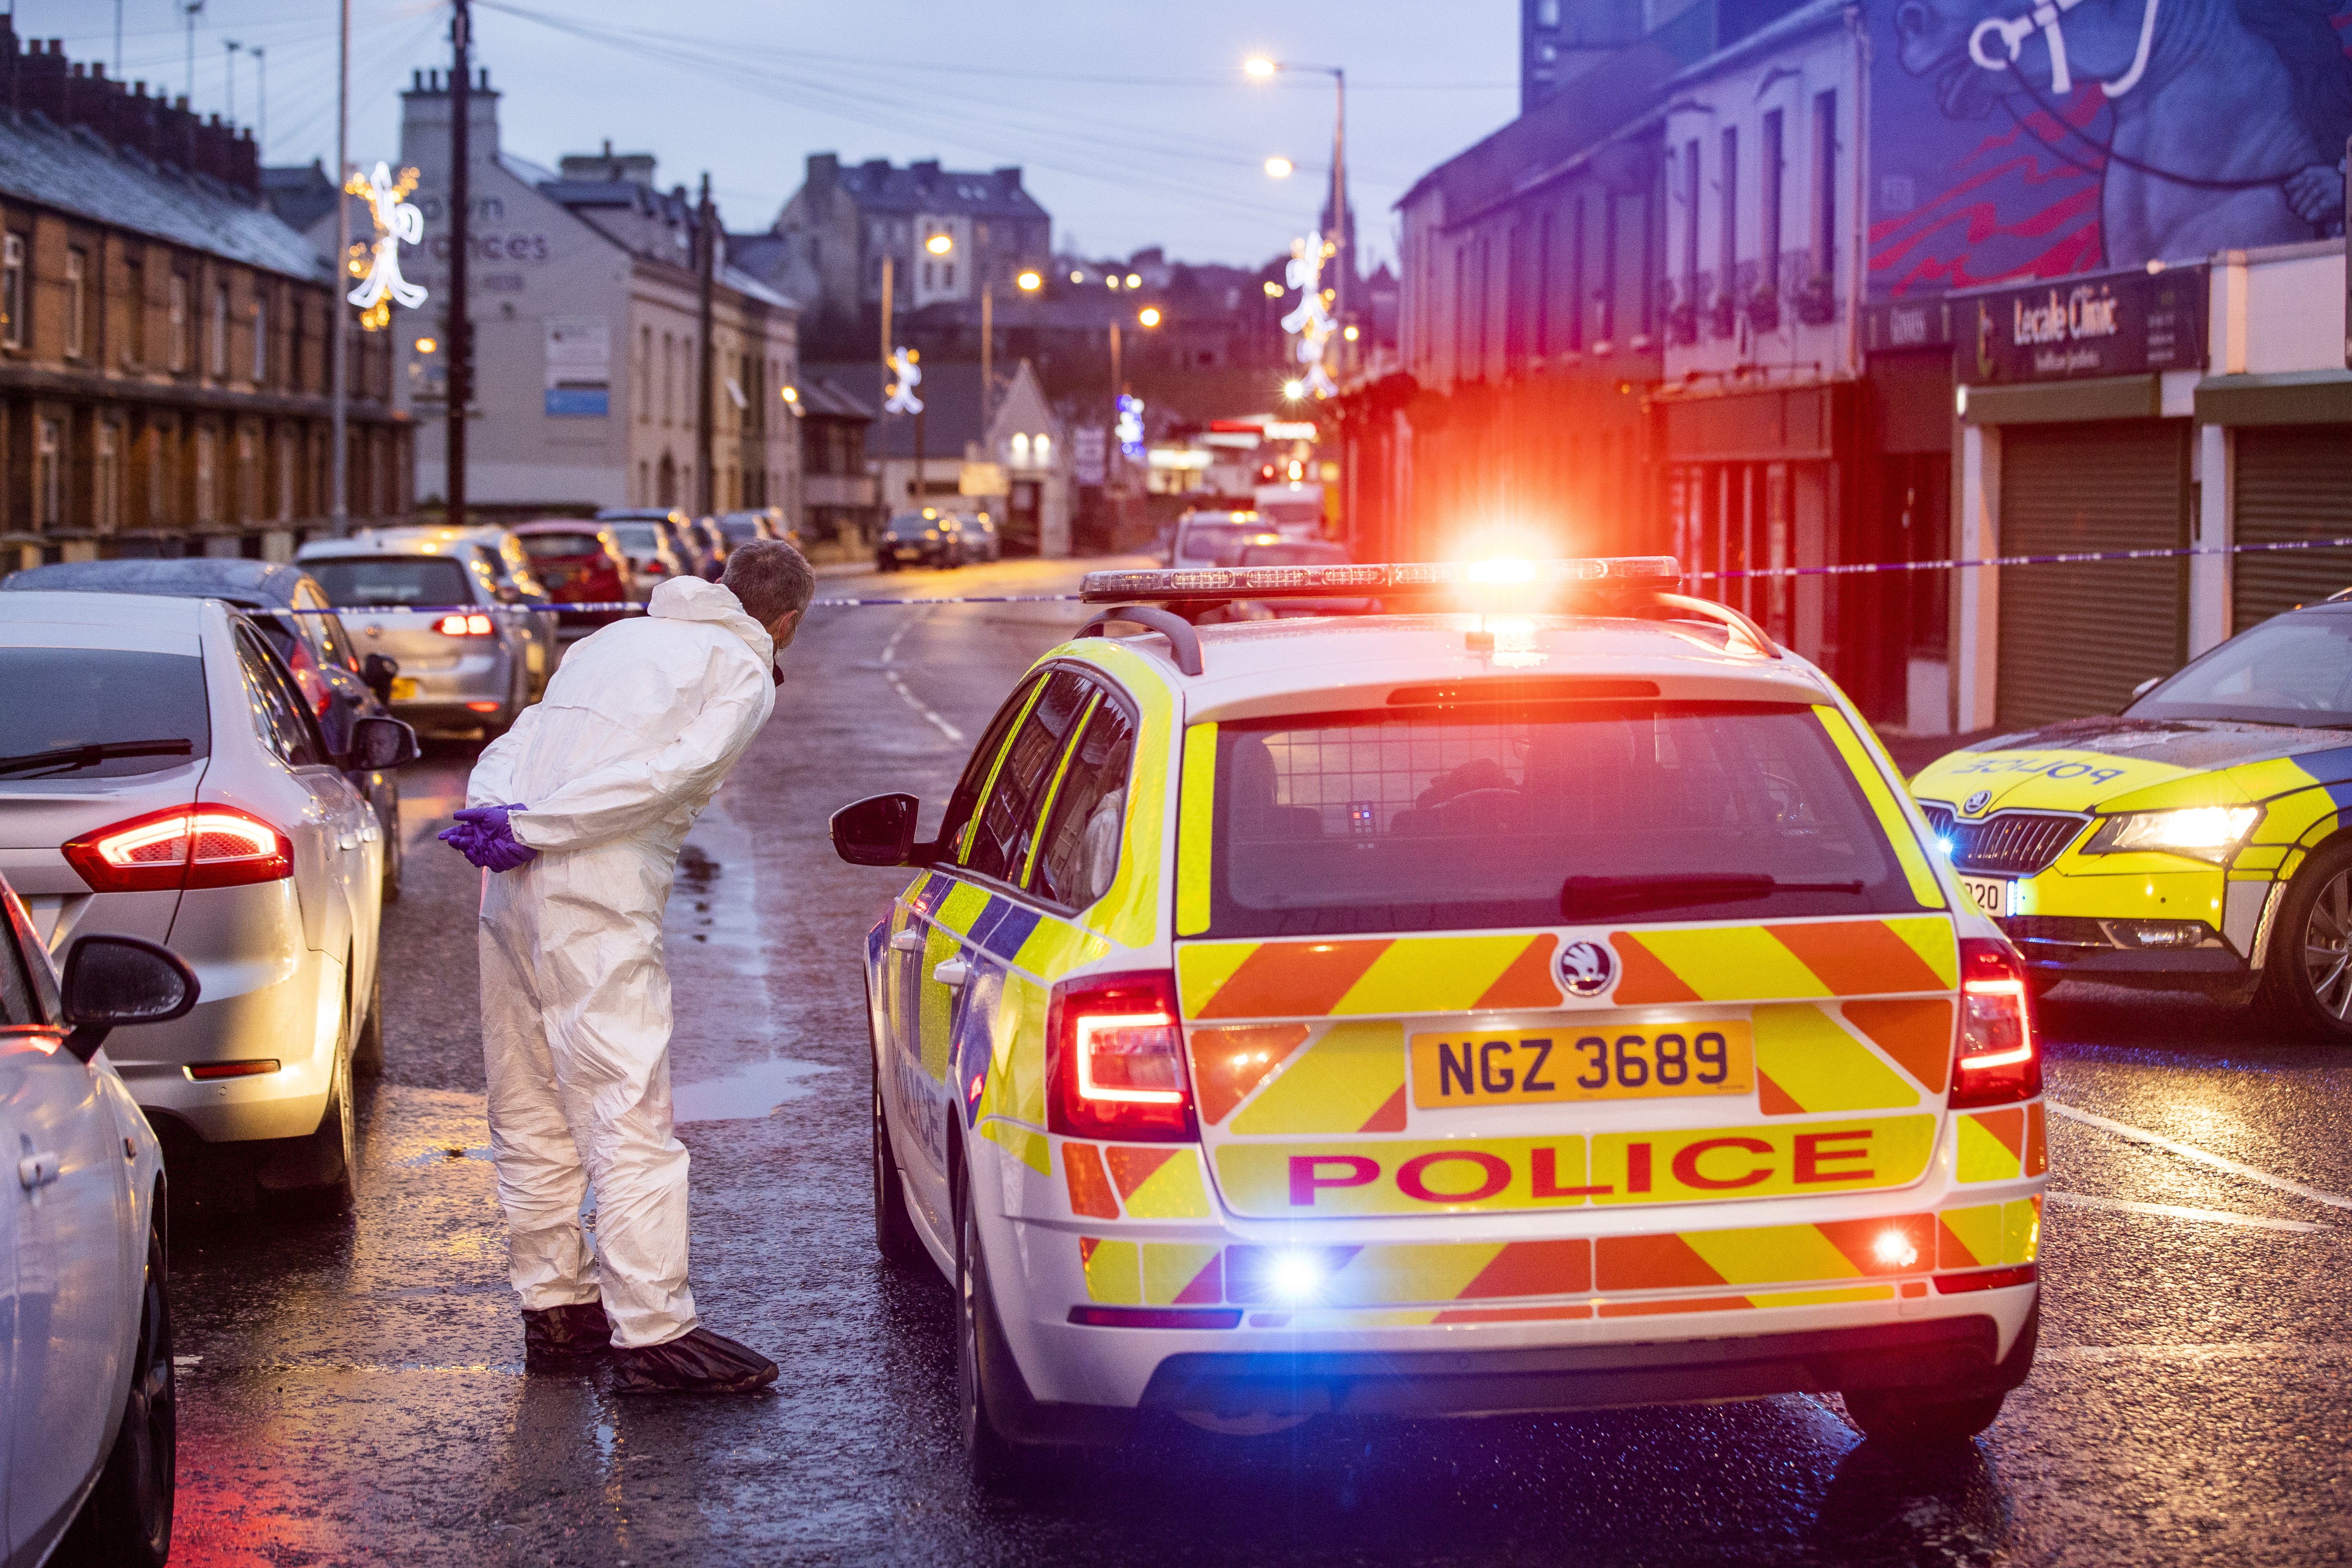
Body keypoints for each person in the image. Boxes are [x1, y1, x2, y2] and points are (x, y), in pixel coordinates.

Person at [443, 539, 815, 1393]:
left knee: (529, 1098)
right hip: (593, 889)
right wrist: (542, 828)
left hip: (510, 887)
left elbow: (523, 737)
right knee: (625, 1103)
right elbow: (665, 776)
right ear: (785, 621)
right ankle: (653, 1331)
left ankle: (556, 1309)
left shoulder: (608, 642)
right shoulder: (741, 673)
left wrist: (494, 813)